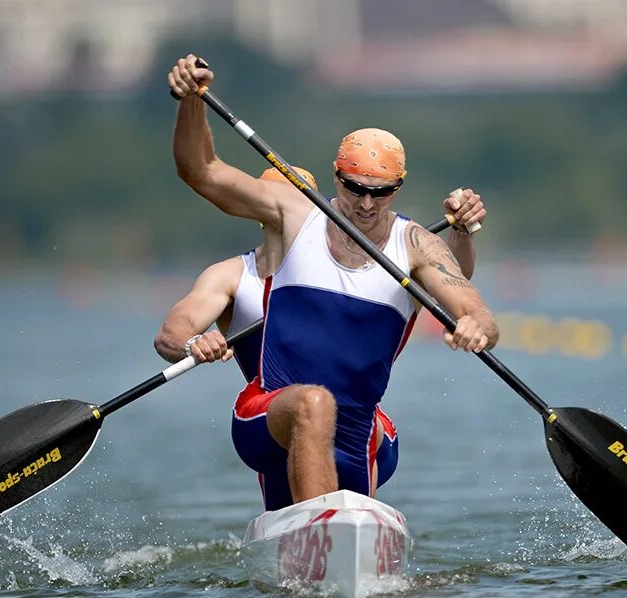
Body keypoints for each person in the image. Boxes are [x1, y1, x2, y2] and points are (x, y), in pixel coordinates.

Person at [167, 54, 499, 511]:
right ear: (335, 176)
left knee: (364, 427)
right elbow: (200, 170)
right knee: (314, 405)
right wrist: (192, 100)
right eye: (353, 187)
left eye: (380, 192)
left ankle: (340, 537)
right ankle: (323, 526)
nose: (365, 203)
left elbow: (475, 308)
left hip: (359, 430)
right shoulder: (294, 214)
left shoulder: (417, 245)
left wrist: (477, 325)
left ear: (398, 187)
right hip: (270, 415)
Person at [154, 166, 486, 507]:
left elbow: (452, 284)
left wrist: (461, 232)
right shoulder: (231, 276)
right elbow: (172, 333)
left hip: (359, 423)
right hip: (279, 420)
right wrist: (195, 342)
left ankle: (351, 528)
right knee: (308, 410)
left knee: (360, 428)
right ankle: (321, 530)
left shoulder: (365, 266)